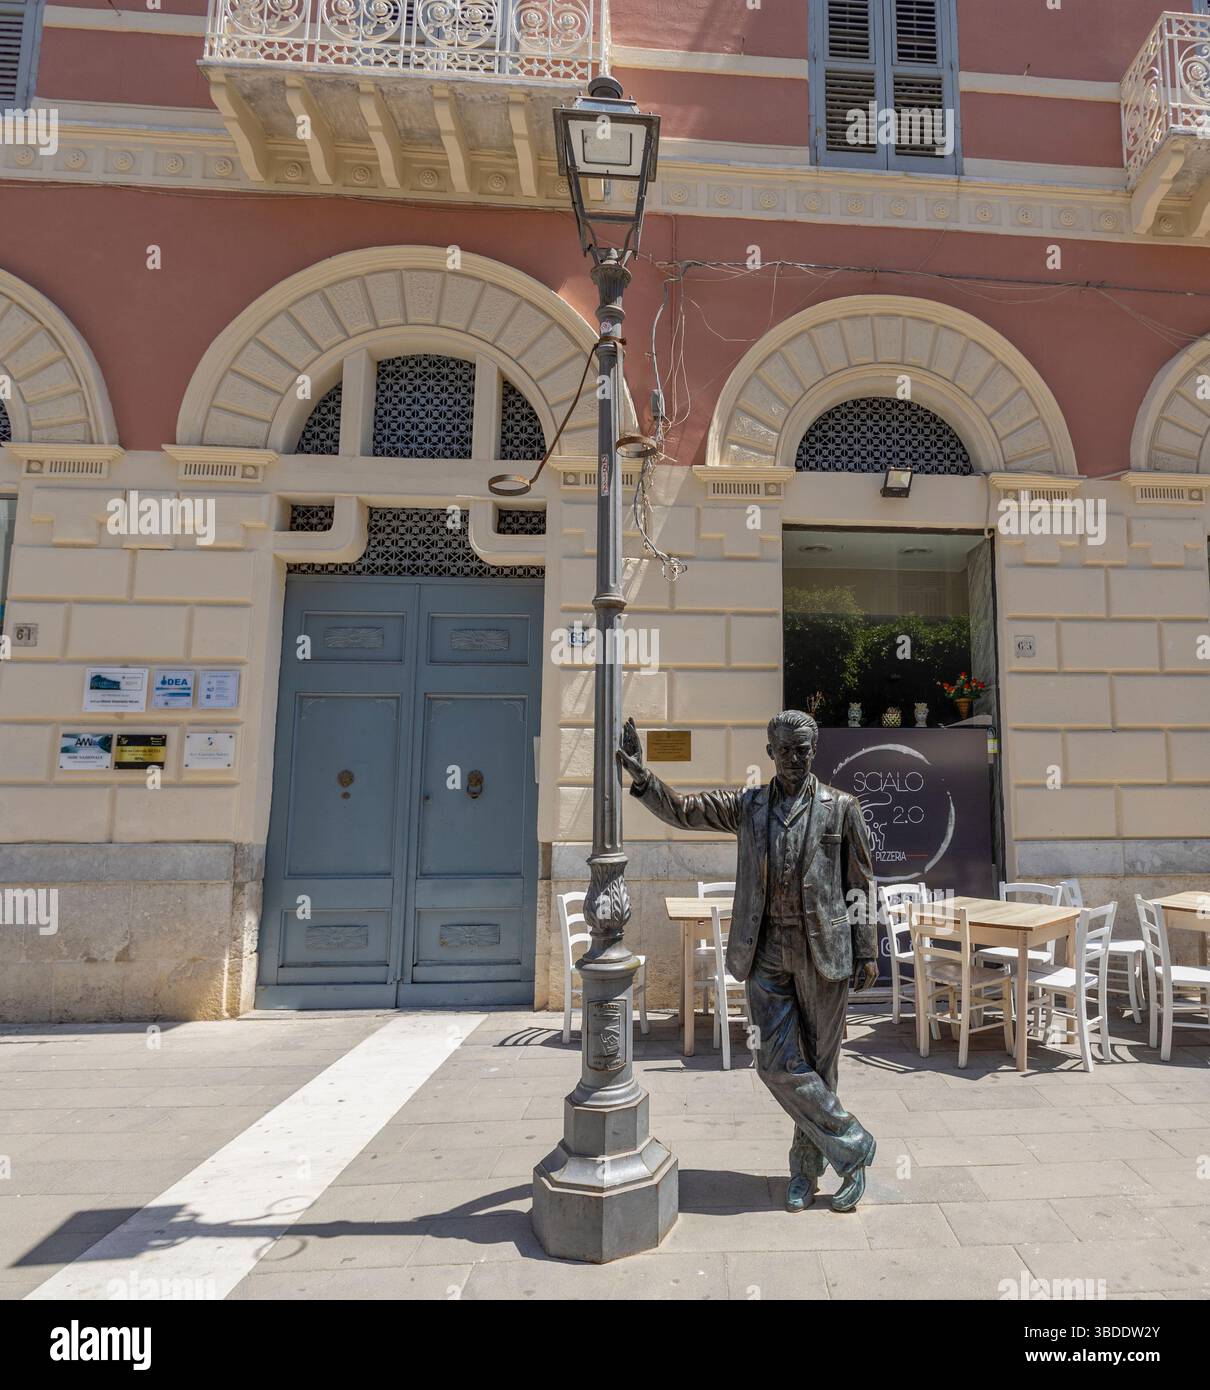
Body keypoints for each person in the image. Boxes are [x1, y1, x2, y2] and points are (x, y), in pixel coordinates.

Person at [617, 709, 878, 1212]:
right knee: (775, 1063)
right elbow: (686, 811)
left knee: (819, 1069)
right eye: (785, 749)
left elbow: (861, 884)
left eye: (803, 749)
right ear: (769, 752)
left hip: (825, 954)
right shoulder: (747, 806)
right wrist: (644, 777)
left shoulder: (842, 808)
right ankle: (853, 1145)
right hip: (764, 954)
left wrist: (866, 947)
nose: (795, 758)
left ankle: (805, 1172)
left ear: (814, 749)